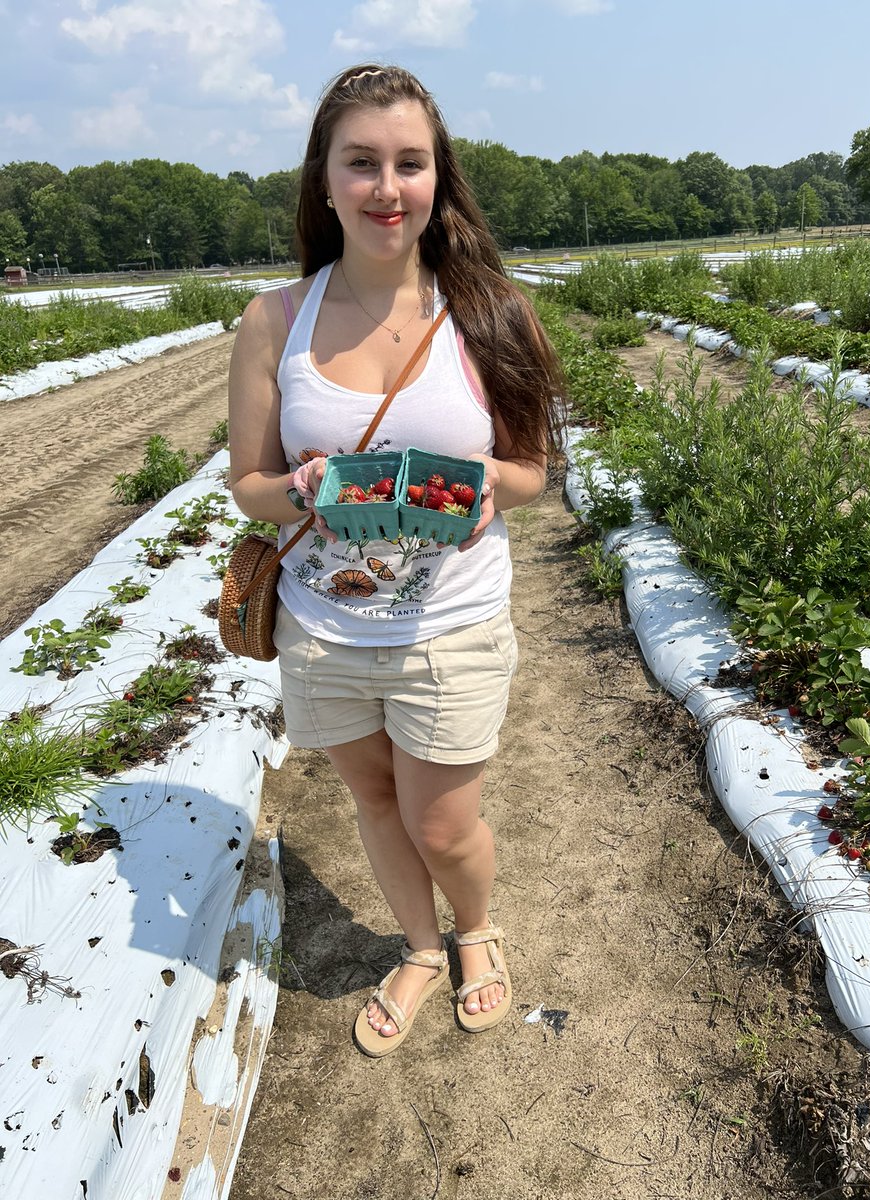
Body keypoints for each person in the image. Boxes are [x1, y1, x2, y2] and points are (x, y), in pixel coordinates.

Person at [228, 63, 564, 1057]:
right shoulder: (274, 321)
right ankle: (420, 946)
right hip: (325, 629)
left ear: (437, 178)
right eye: (362, 163)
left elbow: (534, 474)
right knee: (375, 802)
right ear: (324, 181)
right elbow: (249, 480)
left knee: (445, 824)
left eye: (408, 163)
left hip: (448, 625)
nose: (387, 186)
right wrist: (302, 490)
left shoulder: (492, 309)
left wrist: (474, 486)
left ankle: (474, 931)